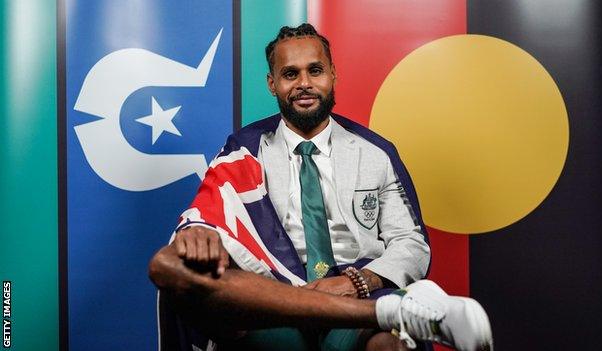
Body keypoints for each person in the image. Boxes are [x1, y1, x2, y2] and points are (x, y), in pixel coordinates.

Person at [149, 23, 493, 351]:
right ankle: (399, 313)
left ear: (333, 75)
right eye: (290, 74)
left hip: (358, 292)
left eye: (315, 71)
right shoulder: (244, 150)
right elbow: (212, 209)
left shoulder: (375, 152)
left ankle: (387, 315)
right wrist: (198, 229)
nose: (304, 83)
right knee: (170, 264)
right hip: (273, 299)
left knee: (391, 345)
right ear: (272, 84)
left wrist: (357, 282)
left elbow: (411, 244)